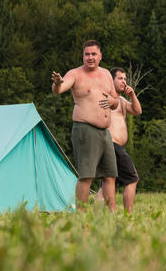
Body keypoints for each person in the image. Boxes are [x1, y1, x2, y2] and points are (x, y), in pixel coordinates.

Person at [51, 40, 119, 210]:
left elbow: (116, 102)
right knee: (86, 176)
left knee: (110, 175)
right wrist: (58, 82)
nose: (90, 57)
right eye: (87, 54)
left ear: (100, 56)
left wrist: (112, 101)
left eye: (93, 54)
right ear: (82, 56)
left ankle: (112, 213)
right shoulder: (75, 74)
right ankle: (80, 214)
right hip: (85, 129)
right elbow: (59, 89)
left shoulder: (106, 74)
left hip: (105, 132)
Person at [108, 67, 143, 214]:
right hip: (111, 144)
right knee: (131, 178)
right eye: (120, 78)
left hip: (115, 146)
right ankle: (128, 214)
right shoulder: (107, 98)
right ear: (111, 80)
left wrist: (133, 95)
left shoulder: (121, 100)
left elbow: (137, 111)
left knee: (107, 183)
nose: (124, 82)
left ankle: (98, 215)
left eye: (125, 79)